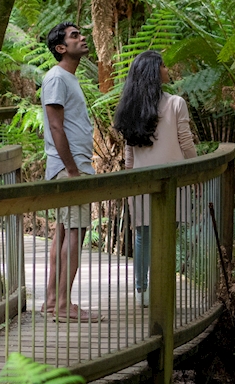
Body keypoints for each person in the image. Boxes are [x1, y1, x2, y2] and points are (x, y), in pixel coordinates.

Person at [114, 50, 196, 303]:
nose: (167, 69)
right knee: (167, 234)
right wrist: (195, 171)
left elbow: (129, 152)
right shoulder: (175, 103)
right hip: (173, 179)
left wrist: (129, 181)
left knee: (142, 235)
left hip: (141, 180)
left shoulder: (130, 108)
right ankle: (163, 287)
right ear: (153, 72)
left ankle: (142, 290)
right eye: (163, 65)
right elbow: (186, 141)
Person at [40, 21, 100, 322]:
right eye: (75, 36)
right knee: (74, 233)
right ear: (60, 47)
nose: (82, 38)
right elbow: (55, 126)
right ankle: (63, 305)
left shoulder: (67, 78)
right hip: (70, 167)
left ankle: (53, 302)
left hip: (70, 166)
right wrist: (73, 169)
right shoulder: (57, 79)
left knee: (64, 233)